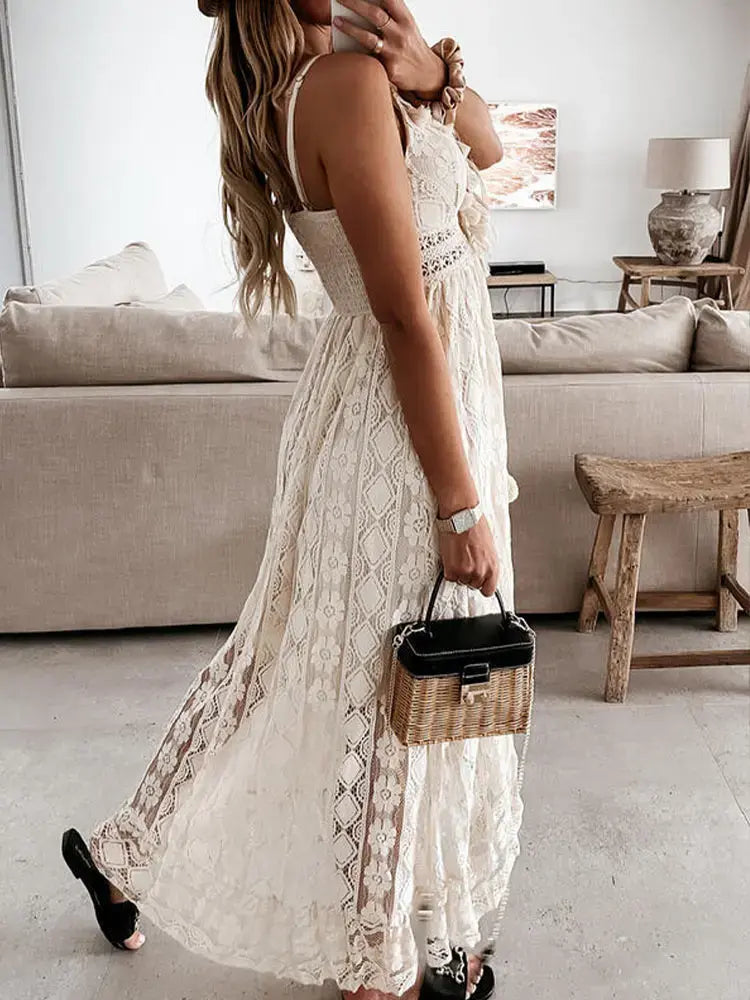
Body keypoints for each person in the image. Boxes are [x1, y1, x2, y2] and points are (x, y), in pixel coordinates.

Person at [62, 1, 526, 998]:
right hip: (402, 426)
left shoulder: (360, 71)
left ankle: (120, 856)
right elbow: (403, 312)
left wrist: (434, 76)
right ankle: (378, 965)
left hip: (399, 405)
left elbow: (495, 151)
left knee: (286, 655)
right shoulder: (342, 87)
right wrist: (458, 505)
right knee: (388, 683)